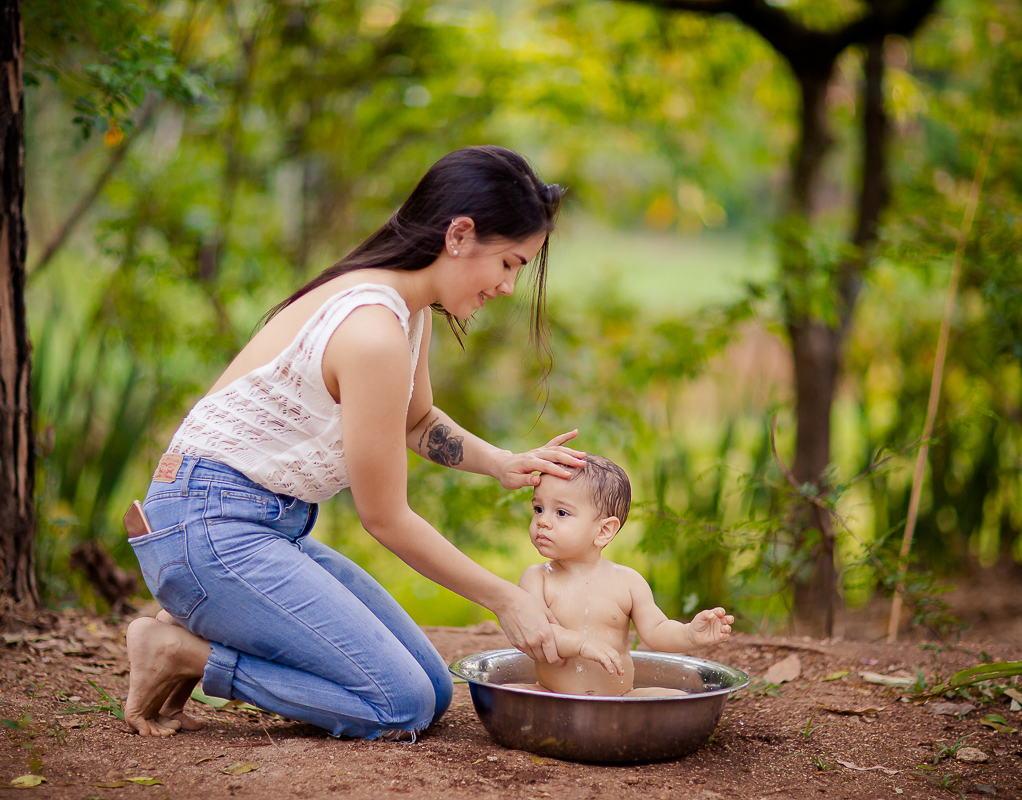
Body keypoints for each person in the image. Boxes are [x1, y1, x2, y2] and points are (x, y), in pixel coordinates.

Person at [123, 145, 585, 739]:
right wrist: (506, 598)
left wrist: (502, 463)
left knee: (435, 688)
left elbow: (415, 422)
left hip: (253, 527)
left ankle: (207, 620)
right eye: (509, 263)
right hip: (210, 530)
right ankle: (181, 652)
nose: (509, 286)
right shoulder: (372, 331)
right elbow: (386, 518)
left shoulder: (401, 310)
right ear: (460, 234)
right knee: (401, 705)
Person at [510, 455, 734, 696]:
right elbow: (538, 633)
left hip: (620, 700)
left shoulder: (628, 582)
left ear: (604, 530)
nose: (542, 521)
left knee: (680, 698)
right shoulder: (537, 578)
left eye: (561, 513)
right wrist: (582, 644)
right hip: (552, 695)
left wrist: (689, 634)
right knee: (508, 692)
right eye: (538, 508)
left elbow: (656, 630)